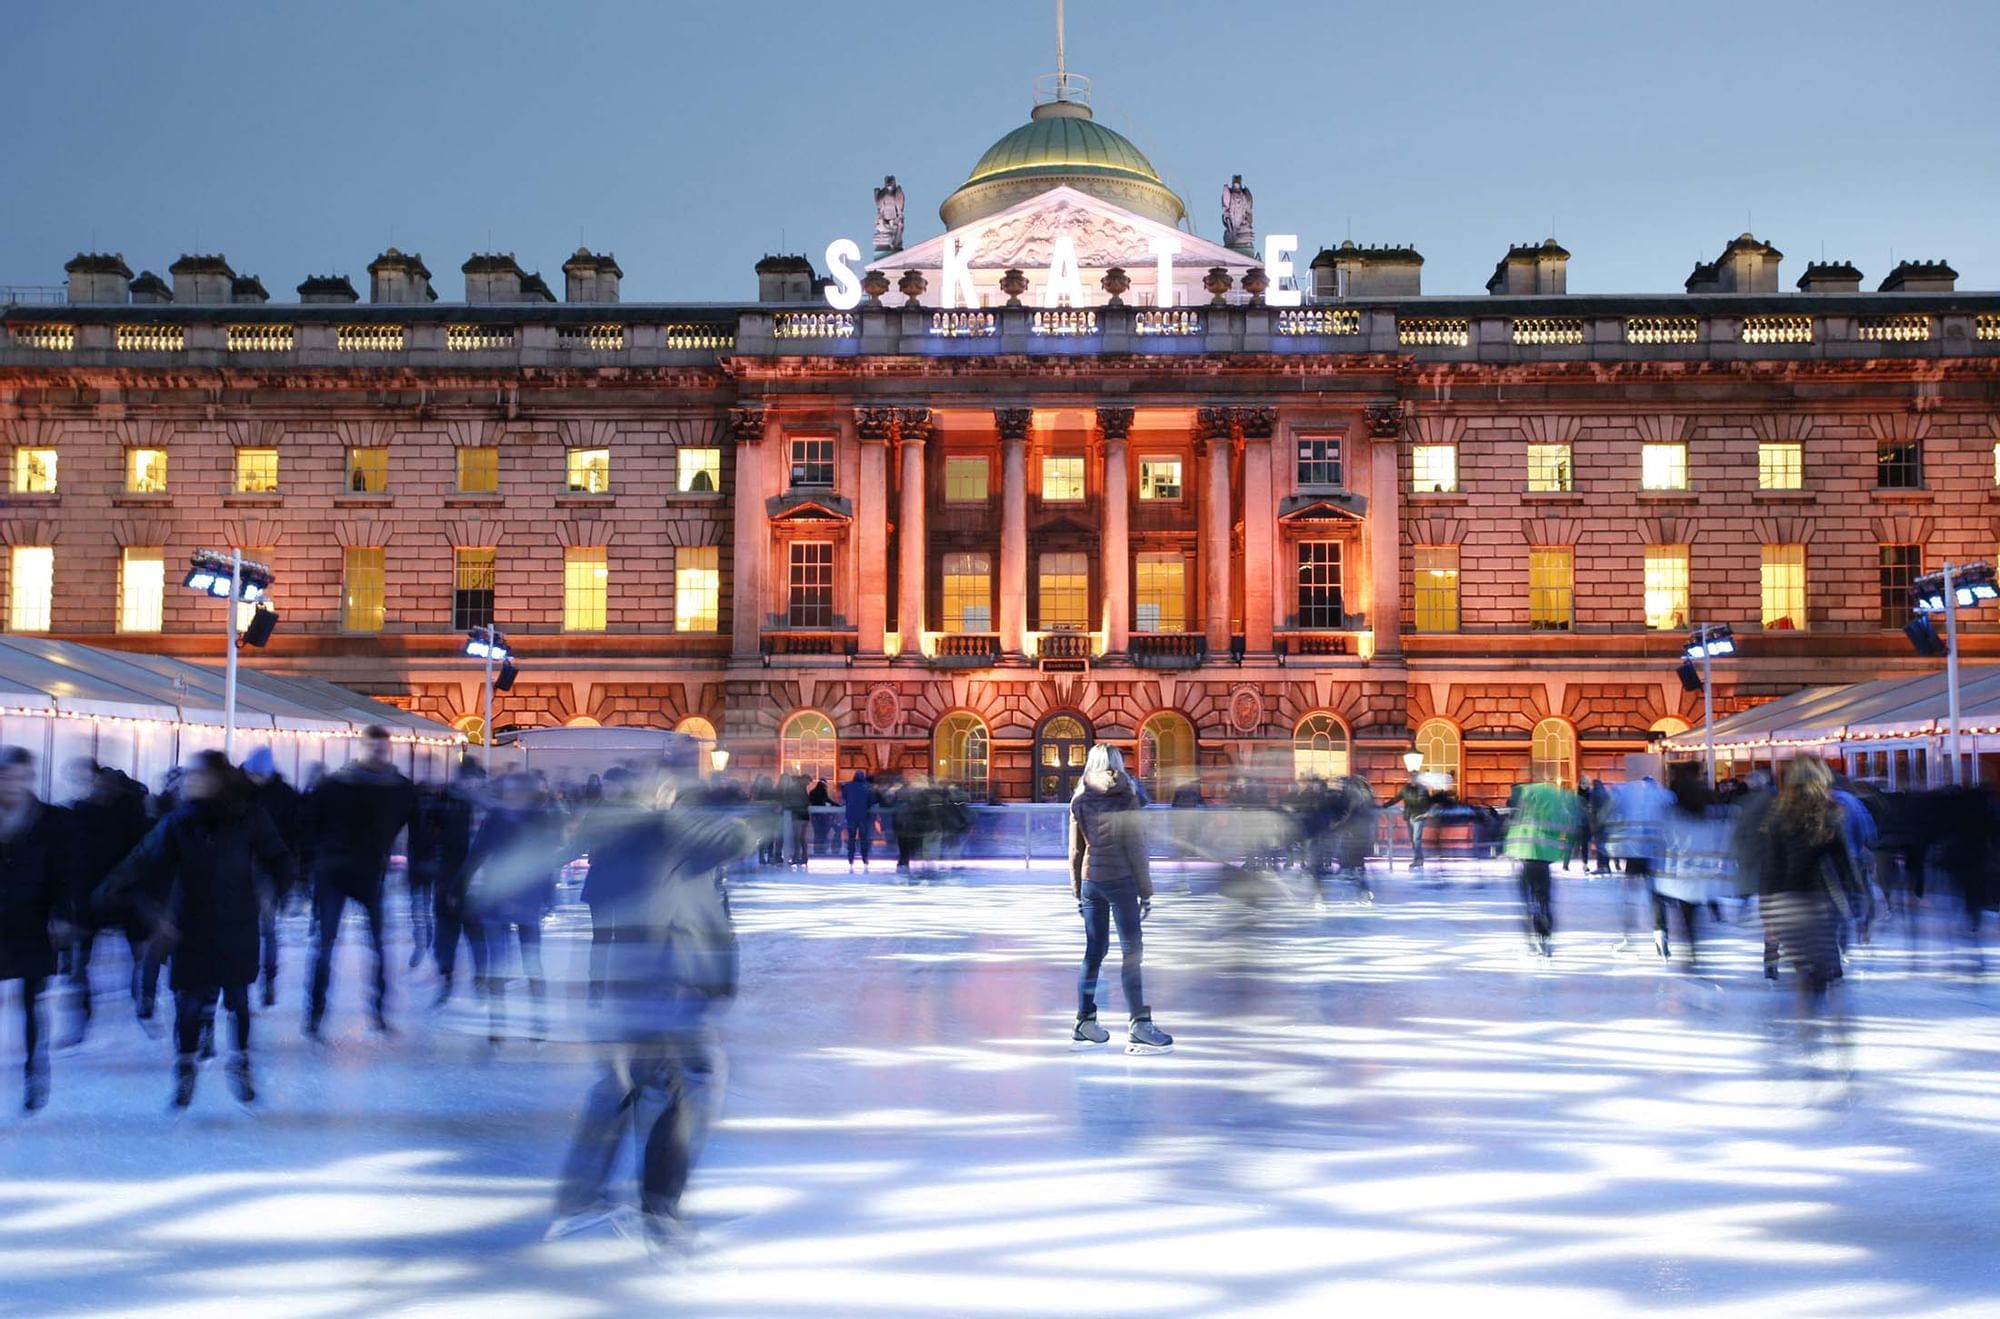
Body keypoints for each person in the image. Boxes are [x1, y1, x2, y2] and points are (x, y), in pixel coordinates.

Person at [549, 745, 757, 1257]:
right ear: (663, 796)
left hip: (635, 979)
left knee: (625, 1085)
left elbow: (601, 908)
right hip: (669, 979)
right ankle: (659, 1209)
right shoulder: (665, 831)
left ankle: (582, 1200)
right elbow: (739, 837)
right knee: (693, 1083)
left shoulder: (621, 838)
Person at [99, 750, 295, 1109]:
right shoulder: (180, 822)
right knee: (189, 1005)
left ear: (218, 780)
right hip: (192, 925)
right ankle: (185, 1067)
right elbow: (145, 859)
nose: (190, 782)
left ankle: (241, 1062)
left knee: (238, 1001)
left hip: (237, 922)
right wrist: (113, 894)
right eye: (189, 776)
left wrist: (275, 892)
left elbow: (279, 856)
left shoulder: (248, 816)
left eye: (198, 776)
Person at [303, 726, 418, 1038]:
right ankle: (315, 1014)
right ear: (362, 749)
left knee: (378, 945)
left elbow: (412, 824)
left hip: (368, 874)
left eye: (383, 750)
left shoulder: (400, 789)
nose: (379, 755)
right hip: (333, 872)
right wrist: (311, 865)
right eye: (374, 749)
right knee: (325, 945)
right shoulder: (334, 786)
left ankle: (378, 1012)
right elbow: (310, 824)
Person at [1068, 746, 1171, 1054]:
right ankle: (1139, 1024)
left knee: (1094, 952)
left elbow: (1075, 852)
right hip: (1121, 880)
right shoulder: (1127, 795)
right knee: (1131, 953)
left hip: (1091, 882)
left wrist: (1077, 890)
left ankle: (1084, 1021)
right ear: (1117, 765)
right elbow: (1137, 847)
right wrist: (1146, 892)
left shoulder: (1080, 798)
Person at [57, 759, 150, 1045]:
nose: (95, 786)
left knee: (137, 955)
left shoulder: (129, 813)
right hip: (90, 897)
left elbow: (144, 853)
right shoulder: (79, 814)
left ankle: (143, 1002)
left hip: (123, 894)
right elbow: (70, 858)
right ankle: (82, 1018)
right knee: (81, 961)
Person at [0, 747, 71, 1112]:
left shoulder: (49, 821)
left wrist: (62, 913)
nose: (12, 784)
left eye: (19, 777)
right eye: (6, 777)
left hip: (33, 923)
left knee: (31, 1001)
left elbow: (63, 872)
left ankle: (34, 1067)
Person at [463, 772, 558, 1041]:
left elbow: (478, 855)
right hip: (507, 899)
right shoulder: (526, 819)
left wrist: (549, 896)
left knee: (521, 964)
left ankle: (521, 1025)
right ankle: (508, 1025)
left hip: (512, 899)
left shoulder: (524, 819)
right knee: (510, 964)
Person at [1758, 755, 1856, 1010]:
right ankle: (1835, 1023)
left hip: (1788, 902)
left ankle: (1808, 1026)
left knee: (1805, 970)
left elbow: (1771, 868)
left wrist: (1767, 915)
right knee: (1826, 965)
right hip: (1823, 902)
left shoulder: (1778, 815)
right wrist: (1857, 897)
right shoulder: (1831, 813)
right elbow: (1845, 863)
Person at [241, 747, 303, 1006]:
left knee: (266, 928)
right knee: (243, 928)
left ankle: (267, 979)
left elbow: (294, 837)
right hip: (239, 867)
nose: (256, 779)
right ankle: (241, 982)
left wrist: (289, 876)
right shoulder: (235, 790)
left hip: (267, 870)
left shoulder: (284, 796)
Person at [419, 759, 483, 1006]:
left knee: (476, 934)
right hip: (450, 878)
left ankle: (481, 982)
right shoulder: (445, 804)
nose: (472, 784)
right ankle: (446, 979)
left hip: (476, 882)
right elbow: (429, 837)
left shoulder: (485, 807)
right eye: (468, 779)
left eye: (475, 779)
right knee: (448, 932)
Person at [1506, 771, 1578, 958]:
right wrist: (1564, 850)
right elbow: (1566, 825)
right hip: (1545, 856)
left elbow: (1513, 821)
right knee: (1543, 896)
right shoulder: (1555, 797)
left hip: (1524, 852)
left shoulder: (1524, 794)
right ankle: (1544, 935)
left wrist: (1508, 849)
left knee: (1526, 896)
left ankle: (1533, 929)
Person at [1397, 775, 1434, 871]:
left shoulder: (1422, 789)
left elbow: (1429, 802)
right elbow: (1396, 798)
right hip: (1410, 817)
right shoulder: (1406, 789)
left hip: (1418, 817)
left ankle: (1419, 859)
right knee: (1413, 840)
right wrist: (1385, 806)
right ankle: (1417, 858)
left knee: (1416, 839)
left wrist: (1426, 813)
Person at [842, 770, 876, 870]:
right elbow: (872, 801)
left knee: (851, 837)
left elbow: (844, 798)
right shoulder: (867, 787)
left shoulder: (847, 786)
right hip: (863, 816)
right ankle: (864, 858)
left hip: (851, 816)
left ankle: (851, 858)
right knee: (864, 838)